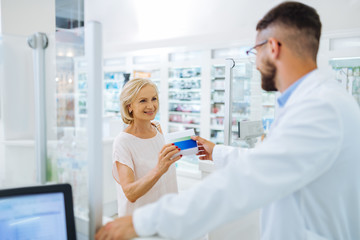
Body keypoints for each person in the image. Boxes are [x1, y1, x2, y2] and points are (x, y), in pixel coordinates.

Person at [96, 2, 360, 240]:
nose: (255, 63)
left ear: (273, 47)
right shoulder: (318, 101)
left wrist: (143, 222)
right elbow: (264, 163)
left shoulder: (318, 109)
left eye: (254, 51)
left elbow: (248, 179)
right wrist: (216, 152)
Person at [112, 78, 182, 217]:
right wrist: (159, 169)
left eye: (154, 99)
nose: (151, 106)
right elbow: (130, 193)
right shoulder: (123, 142)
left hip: (166, 215)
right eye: (143, 101)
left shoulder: (157, 129)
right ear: (129, 106)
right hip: (140, 223)